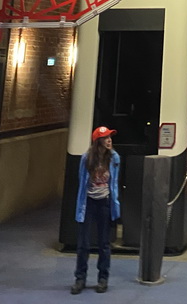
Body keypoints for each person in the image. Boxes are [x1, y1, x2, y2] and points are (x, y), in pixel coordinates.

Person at [72, 126, 120, 295]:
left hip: (105, 203)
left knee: (104, 244)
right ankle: (80, 278)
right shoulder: (87, 158)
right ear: (98, 141)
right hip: (89, 203)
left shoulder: (114, 158)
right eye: (106, 137)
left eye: (110, 137)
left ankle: (103, 278)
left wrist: (115, 206)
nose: (109, 140)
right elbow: (82, 182)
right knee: (83, 243)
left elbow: (113, 184)